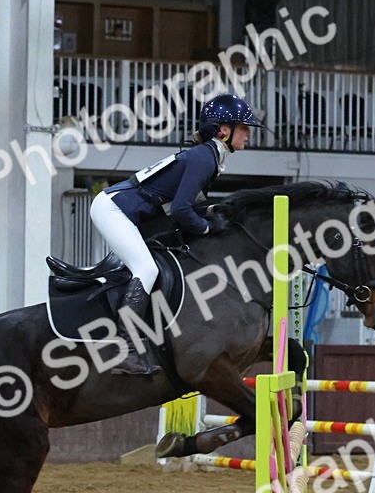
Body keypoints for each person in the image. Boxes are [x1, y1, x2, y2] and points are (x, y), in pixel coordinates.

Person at [89, 93, 263, 375]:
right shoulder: (205, 157)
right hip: (114, 208)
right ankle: (124, 350)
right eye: (244, 128)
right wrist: (208, 227)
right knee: (145, 269)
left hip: (131, 211)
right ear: (224, 130)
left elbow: (191, 205)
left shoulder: (210, 156)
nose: (248, 135)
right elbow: (182, 210)